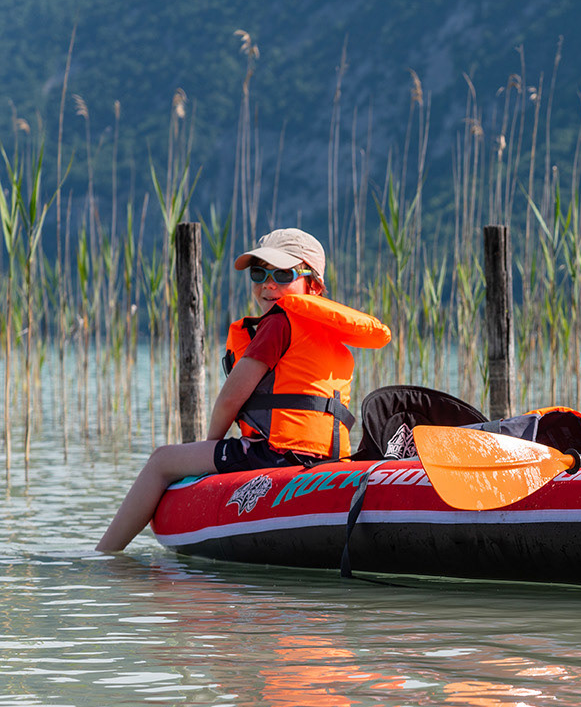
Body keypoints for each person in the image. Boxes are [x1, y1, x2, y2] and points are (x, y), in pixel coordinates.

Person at [96, 228, 390, 552]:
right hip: (327, 459)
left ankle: (105, 555)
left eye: (282, 273)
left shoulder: (279, 322)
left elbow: (229, 400)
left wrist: (209, 452)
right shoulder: (328, 332)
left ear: (313, 284)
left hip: (276, 454)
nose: (268, 284)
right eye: (259, 272)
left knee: (161, 461)